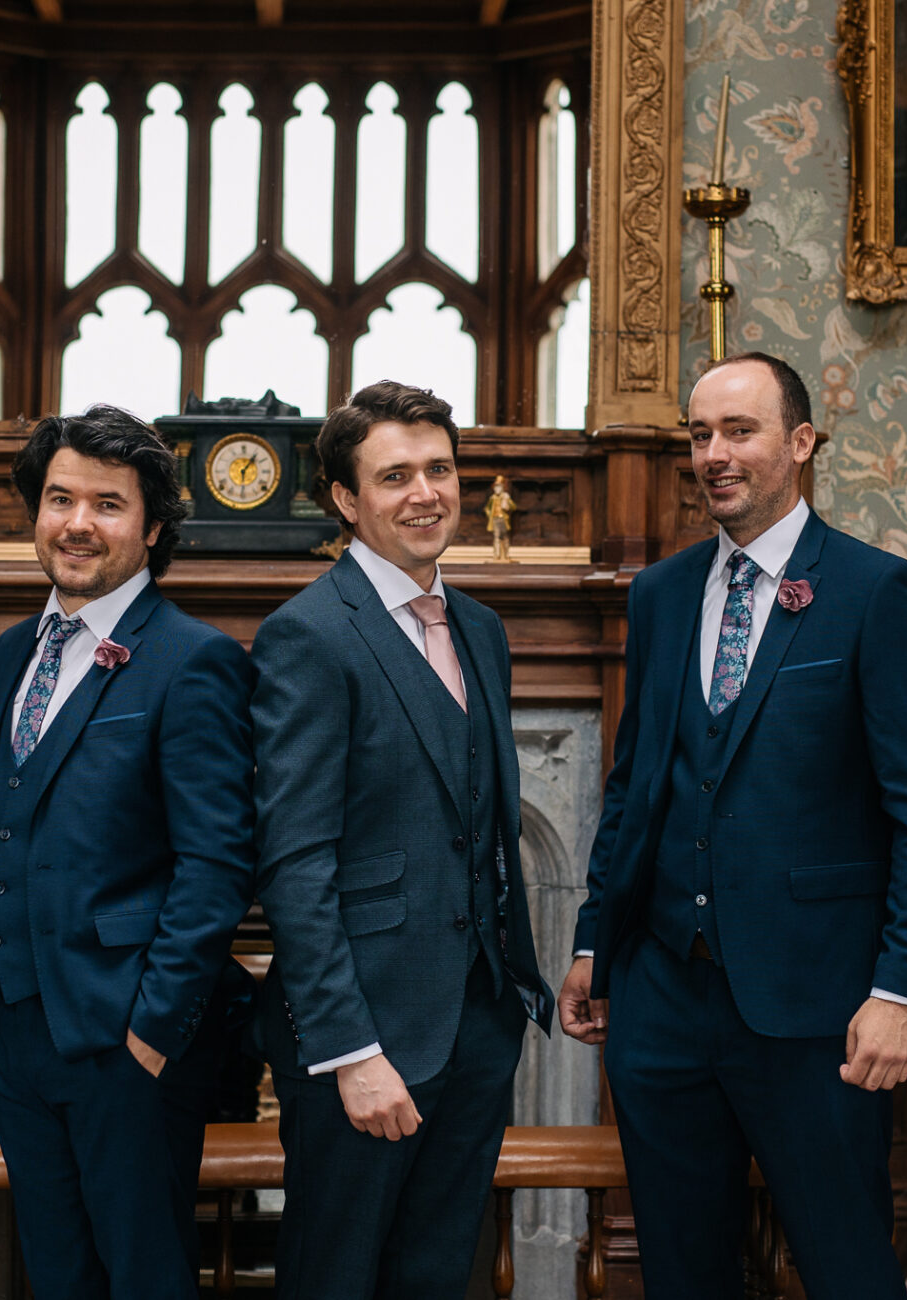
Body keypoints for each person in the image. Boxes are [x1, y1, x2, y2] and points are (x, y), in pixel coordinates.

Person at [559, 352, 907, 1298]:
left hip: (817, 1007)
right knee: (682, 1273)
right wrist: (595, 939)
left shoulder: (875, 592)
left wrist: (900, 990)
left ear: (801, 443)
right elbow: (634, 787)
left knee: (848, 1269)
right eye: (698, 435)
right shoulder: (661, 594)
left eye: (738, 431)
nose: (713, 454)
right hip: (662, 1004)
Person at [0, 405, 257, 1299]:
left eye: (108, 505)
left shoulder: (193, 660)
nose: (78, 524)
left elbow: (217, 863)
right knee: (56, 1273)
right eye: (59, 499)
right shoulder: (15, 652)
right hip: (11, 1022)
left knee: (145, 1276)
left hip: (126, 1037)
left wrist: (154, 1029)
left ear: (152, 528)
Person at [252, 380, 553, 1299]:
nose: (425, 493)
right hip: (365, 1041)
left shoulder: (482, 630)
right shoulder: (306, 635)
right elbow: (296, 864)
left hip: (474, 1026)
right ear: (347, 500)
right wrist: (351, 1052)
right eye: (395, 477)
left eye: (439, 470)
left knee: (435, 1275)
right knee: (336, 1278)